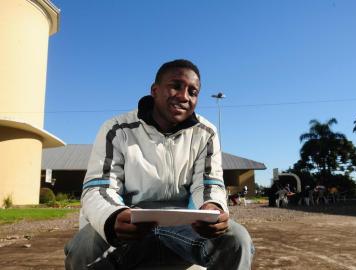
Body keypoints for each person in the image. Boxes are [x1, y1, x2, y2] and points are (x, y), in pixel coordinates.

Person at [64, 59, 254, 269]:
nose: (184, 96)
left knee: (237, 241)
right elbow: (99, 187)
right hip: (129, 222)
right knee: (82, 250)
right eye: (175, 86)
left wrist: (211, 209)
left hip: (183, 224)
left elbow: (208, 184)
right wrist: (113, 217)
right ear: (155, 90)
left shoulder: (206, 133)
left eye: (193, 92)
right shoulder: (117, 129)